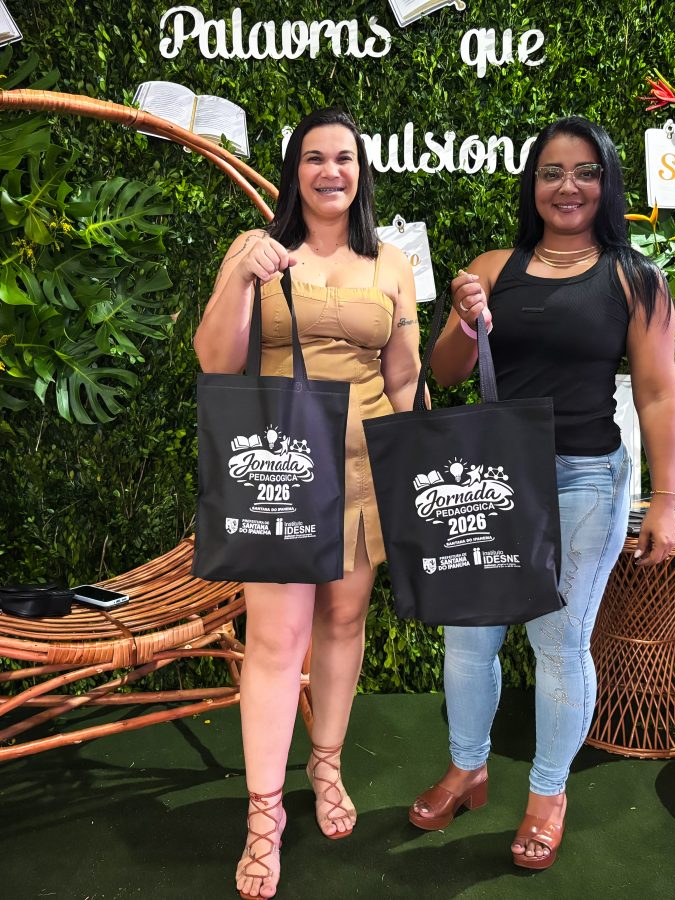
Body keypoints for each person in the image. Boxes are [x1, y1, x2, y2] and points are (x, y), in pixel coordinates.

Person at [407, 116, 675, 870]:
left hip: (584, 478)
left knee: (559, 643)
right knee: (469, 636)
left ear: (607, 182)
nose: (568, 186)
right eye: (552, 171)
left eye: (586, 171)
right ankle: (467, 768)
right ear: (532, 184)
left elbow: (658, 393)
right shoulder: (495, 268)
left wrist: (662, 501)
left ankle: (548, 794)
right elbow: (447, 372)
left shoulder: (634, 279)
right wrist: (469, 321)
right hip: (493, 480)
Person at [193, 108, 420, 900]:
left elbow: (403, 376)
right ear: (295, 171)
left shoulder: (391, 263)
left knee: (344, 622)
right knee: (273, 642)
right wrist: (240, 278)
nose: (331, 171)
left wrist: (413, 467)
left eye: (344, 158)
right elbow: (216, 361)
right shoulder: (256, 250)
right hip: (280, 475)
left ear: (361, 172)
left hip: (364, 475)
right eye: (314, 158)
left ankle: (325, 765)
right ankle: (264, 815)